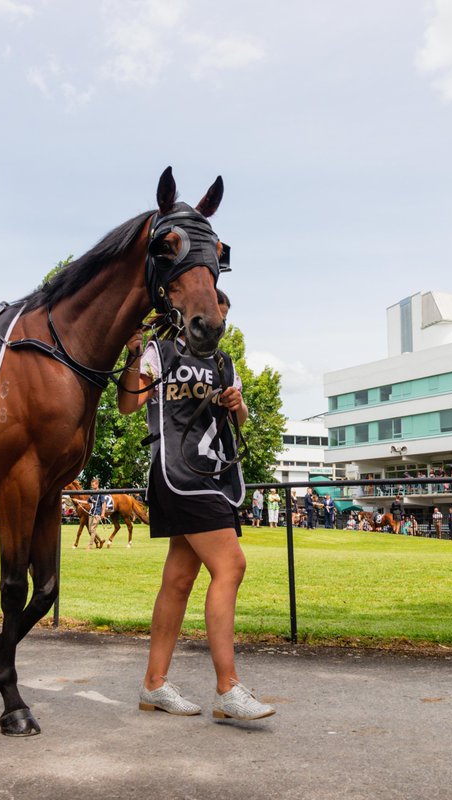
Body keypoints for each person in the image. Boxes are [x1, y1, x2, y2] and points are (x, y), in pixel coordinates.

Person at [117, 289, 275, 722]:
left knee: (180, 578)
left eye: (224, 312)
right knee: (231, 566)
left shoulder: (224, 364)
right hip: (179, 473)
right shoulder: (160, 351)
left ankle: (154, 684)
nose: (218, 317)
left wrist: (236, 405)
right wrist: (133, 355)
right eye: (212, 310)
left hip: (212, 474)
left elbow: (239, 420)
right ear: (190, 312)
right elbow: (128, 404)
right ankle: (227, 687)